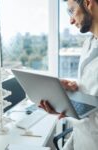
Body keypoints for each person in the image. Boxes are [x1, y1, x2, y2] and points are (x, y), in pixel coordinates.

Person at [40, 0, 98, 149]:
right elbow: (92, 88)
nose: (71, 20)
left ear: (88, 3)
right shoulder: (89, 43)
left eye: (71, 11)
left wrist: (72, 108)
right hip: (82, 138)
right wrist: (74, 89)